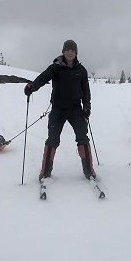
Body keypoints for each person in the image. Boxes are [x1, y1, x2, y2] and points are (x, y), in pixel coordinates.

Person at [24, 40, 95, 181]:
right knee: (52, 139)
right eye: (67, 50)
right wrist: (32, 86)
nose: (70, 53)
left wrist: (87, 106)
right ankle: (45, 172)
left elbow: (86, 91)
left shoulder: (81, 70)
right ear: (63, 52)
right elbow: (43, 78)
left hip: (76, 109)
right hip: (58, 109)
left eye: (72, 51)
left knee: (83, 138)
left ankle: (89, 171)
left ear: (76, 53)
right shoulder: (55, 68)